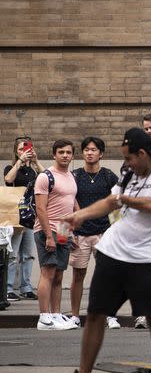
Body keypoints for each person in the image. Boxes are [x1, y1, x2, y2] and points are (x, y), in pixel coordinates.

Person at [52, 128, 151, 373]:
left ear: (143, 154)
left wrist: (124, 199)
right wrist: (79, 215)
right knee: (96, 315)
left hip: (143, 258)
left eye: (130, 158)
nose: (127, 164)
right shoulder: (127, 175)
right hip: (112, 253)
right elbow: (110, 202)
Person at [69, 137, 119, 328]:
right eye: (87, 150)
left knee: (106, 275)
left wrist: (115, 231)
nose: (90, 153)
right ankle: (74, 316)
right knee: (78, 275)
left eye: (94, 150)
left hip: (104, 233)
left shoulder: (108, 176)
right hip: (80, 233)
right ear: (82, 153)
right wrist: (69, 232)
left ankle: (109, 315)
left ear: (101, 153)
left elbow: (116, 205)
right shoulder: (74, 176)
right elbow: (68, 205)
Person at [34, 139, 79, 331]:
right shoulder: (45, 177)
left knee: (59, 274)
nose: (65, 155)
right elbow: (40, 208)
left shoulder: (70, 176)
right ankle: (44, 318)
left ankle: (55, 315)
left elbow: (72, 202)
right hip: (48, 228)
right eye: (61, 152)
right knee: (48, 272)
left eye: (68, 152)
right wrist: (49, 236)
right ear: (54, 154)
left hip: (63, 229)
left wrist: (73, 233)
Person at [4, 136, 43, 302]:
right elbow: (8, 180)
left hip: (30, 215)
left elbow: (48, 177)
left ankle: (26, 287)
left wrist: (36, 161)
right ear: (16, 151)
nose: (25, 151)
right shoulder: (10, 167)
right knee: (12, 255)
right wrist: (20, 161)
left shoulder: (33, 170)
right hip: (14, 216)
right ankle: (8, 288)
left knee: (28, 254)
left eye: (27, 148)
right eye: (21, 149)